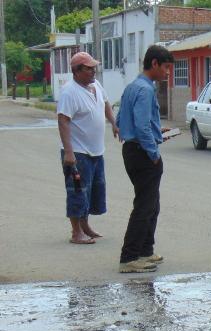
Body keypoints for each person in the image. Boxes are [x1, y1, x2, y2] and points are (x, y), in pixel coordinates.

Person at [116, 45, 174, 273]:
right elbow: (140, 126)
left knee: (152, 204)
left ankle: (145, 251)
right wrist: (153, 152)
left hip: (132, 150)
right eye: (166, 67)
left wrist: (157, 131)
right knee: (144, 206)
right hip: (142, 154)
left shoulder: (133, 86)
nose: (168, 73)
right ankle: (129, 257)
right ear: (154, 64)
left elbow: (121, 120)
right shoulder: (146, 90)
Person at [56, 51, 118, 245]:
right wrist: (69, 152)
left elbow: (106, 104)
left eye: (94, 68)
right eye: (89, 68)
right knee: (77, 191)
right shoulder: (69, 92)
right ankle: (76, 233)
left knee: (91, 192)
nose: (93, 71)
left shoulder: (95, 85)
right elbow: (63, 121)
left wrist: (114, 123)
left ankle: (86, 226)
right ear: (76, 71)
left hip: (96, 151)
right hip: (78, 152)